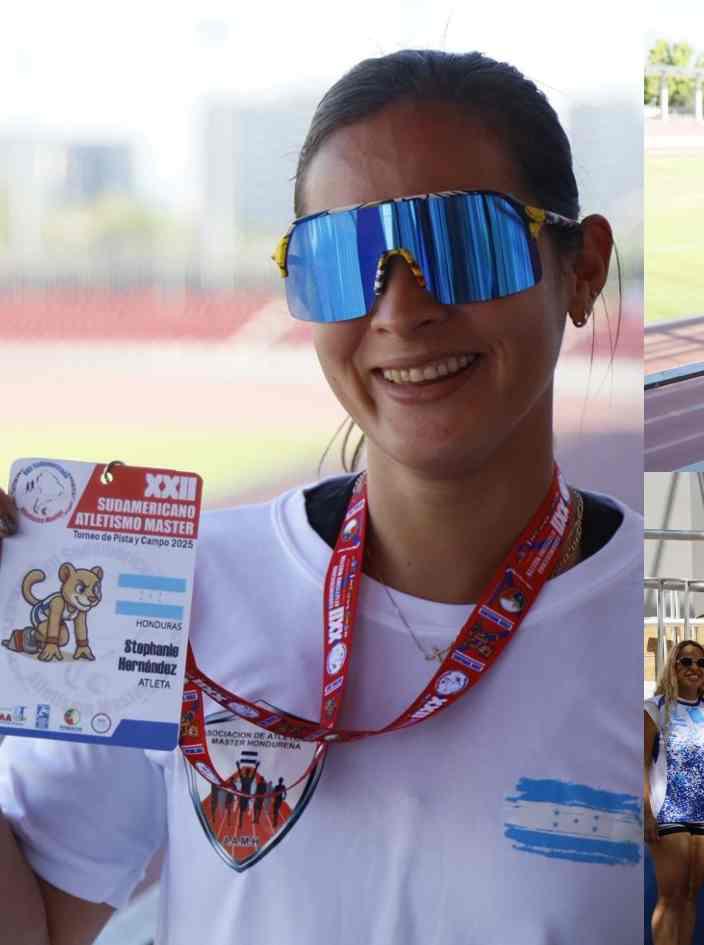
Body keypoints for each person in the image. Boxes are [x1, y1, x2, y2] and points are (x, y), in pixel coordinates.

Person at [0, 48, 641, 945]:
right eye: (341, 259)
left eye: (460, 241)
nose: (400, 306)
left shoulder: (670, 638)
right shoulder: (162, 598)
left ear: (581, 267)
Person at [644, 639, 704, 945]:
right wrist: (645, 813)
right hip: (668, 812)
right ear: (673, 666)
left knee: (692, 894)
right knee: (671, 896)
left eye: (700, 663)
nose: (694, 668)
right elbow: (640, 763)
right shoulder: (654, 708)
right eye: (686, 661)